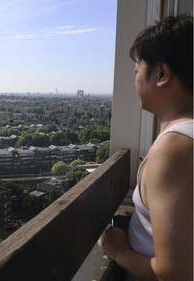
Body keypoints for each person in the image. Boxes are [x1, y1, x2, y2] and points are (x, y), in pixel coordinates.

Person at [98, 13, 193, 281]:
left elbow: (177, 274)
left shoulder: (174, 149)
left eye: (137, 70)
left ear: (161, 74)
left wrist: (119, 252)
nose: (135, 80)